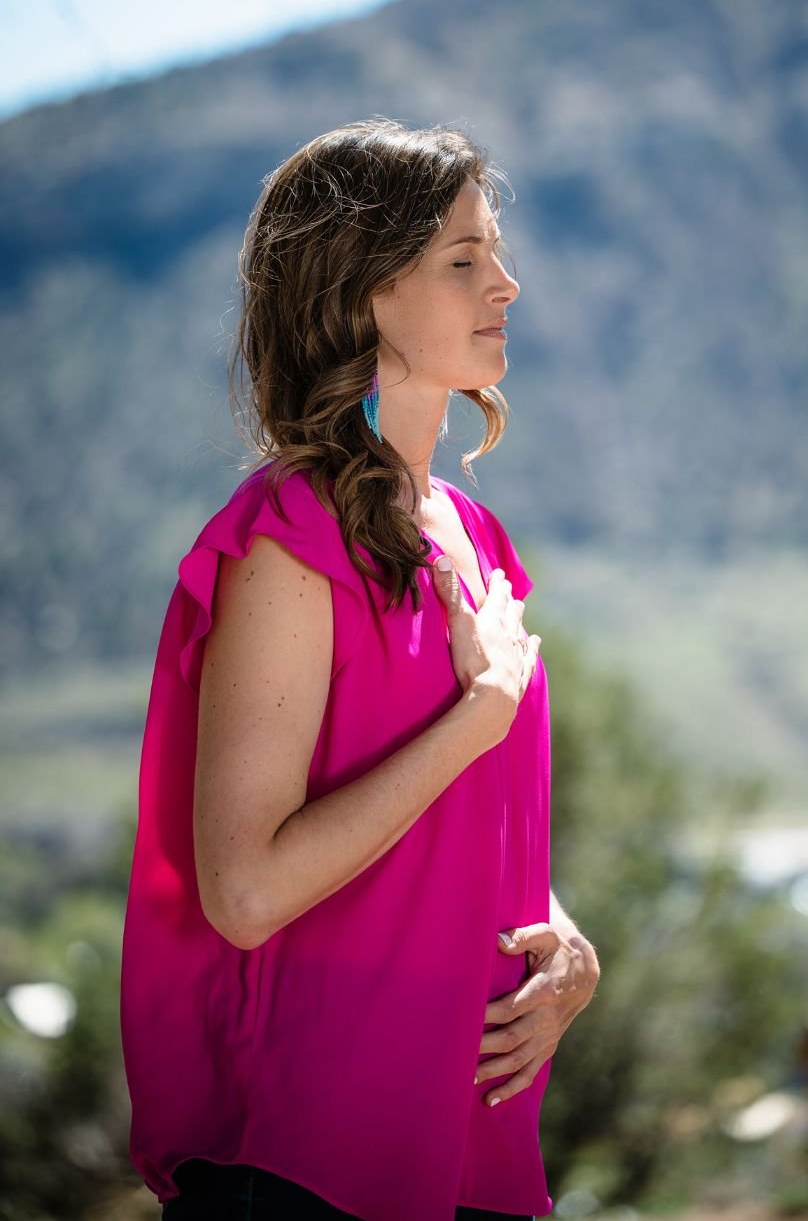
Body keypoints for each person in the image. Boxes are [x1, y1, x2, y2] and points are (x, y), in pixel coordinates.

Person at [119, 119, 601, 1221]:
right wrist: (476, 718)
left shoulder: (473, 536)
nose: (508, 285)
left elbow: (455, 814)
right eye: (463, 259)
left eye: (497, 252)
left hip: (470, 1146)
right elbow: (246, 894)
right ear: (358, 294)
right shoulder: (287, 539)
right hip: (309, 1162)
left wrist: (563, 941)